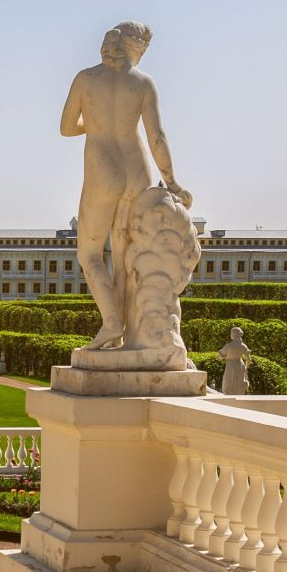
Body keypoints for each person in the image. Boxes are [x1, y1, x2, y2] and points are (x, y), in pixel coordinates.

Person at [61, 22, 189, 348]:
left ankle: (112, 323)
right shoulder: (144, 83)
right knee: (127, 254)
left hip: (103, 170)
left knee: (89, 253)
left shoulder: (86, 79)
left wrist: (93, 124)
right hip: (138, 169)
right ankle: (132, 334)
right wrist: (172, 182)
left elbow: (65, 127)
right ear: (139, 49)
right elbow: (157, 138)